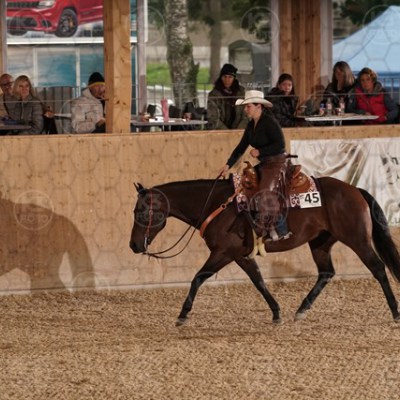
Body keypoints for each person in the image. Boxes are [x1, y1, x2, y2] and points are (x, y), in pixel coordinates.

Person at [218, 90, 291, 241]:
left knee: (265, 193)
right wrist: (227, 165)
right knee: (246, 185)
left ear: (259, 106)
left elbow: (280, 145)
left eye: (248, 106)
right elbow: (241, 147)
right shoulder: (251, 125)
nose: (245, 110)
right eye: (246, 107)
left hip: (276, 162)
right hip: (265, 163)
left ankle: (281, 229)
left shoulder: (269, 123)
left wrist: (260, 151)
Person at [207, 63, 247, 130]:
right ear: (221, 77)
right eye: (224, 76)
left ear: (234, 78)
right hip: (220, 132)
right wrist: (227, 132)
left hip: (239, 131)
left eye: (230, 77)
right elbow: (213, 118)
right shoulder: (214, 95)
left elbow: (246, 115)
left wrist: (238, 131)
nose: (227, 80)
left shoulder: (241, 93)